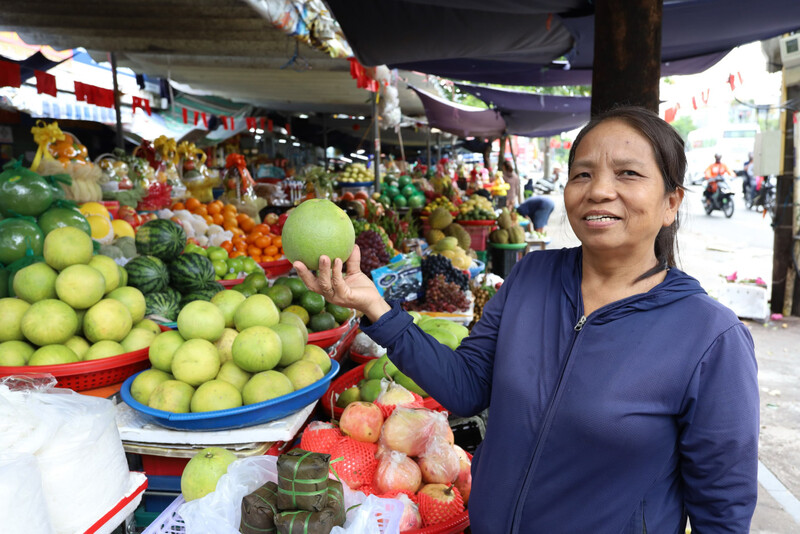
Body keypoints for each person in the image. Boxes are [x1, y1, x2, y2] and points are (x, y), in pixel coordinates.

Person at [294, 106, 759, 533]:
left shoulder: (709, 337)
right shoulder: (532, 276)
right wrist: (376, 307)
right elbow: (467, 386)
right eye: (582, 174)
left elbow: (723, 510)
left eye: (628, 173)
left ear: (671, 203)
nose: (598, 189)